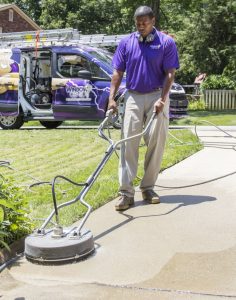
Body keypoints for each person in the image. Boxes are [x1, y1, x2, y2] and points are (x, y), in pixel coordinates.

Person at [108, 5, 180, 211]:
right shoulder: (126, 42)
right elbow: (117, 72)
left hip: (158, 94)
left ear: (153, 21)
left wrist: (163, 99)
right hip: (133, 95)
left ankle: (148, 188)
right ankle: (125, 193)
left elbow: (170, 74)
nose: (141, 26)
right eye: (138, 23)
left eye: (144, 23)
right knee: (128, 142)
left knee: (156, 142)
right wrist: (111, 99)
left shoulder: (166, 43)